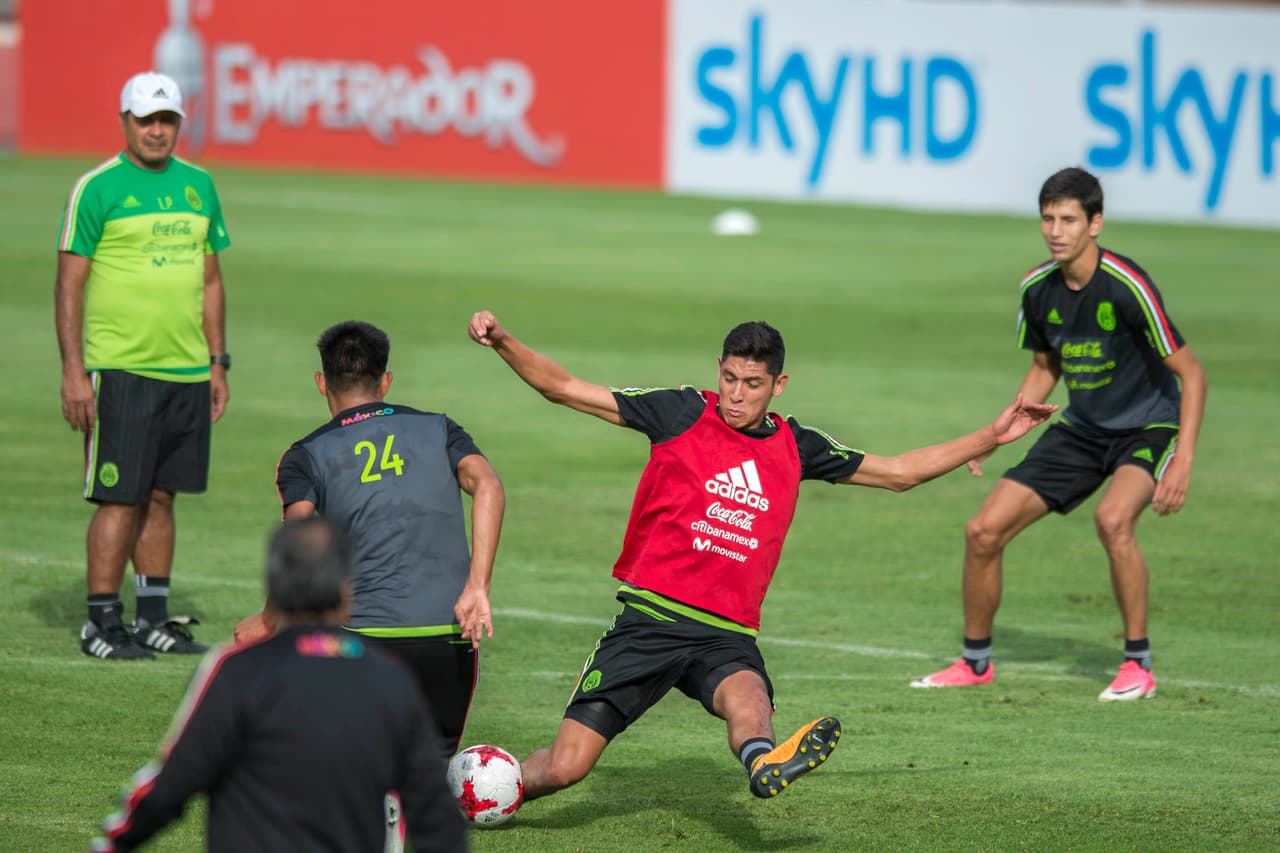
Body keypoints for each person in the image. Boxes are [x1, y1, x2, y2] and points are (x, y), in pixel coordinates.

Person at [467, 310, 1055, 801]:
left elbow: (898, 473)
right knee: (565, 769)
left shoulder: (797, 446)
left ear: (779, 385)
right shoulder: (679, 411)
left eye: (751, 384)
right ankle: (478, 793)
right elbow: (564, 388)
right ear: (717, 372)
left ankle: (761, 763)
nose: (736, 395)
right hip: (650, 622)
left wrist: (990, 436)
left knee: (749, 701)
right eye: (728, 379)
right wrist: (501, 341)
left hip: (725, 632)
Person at [910, 167, 1207, 701]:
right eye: (1048, 218)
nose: (1056, 230)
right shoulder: (1036, 289)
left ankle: (1137, 664)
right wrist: (999, 431)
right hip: (1082, 426)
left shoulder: (1127, 286)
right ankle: (975, 663)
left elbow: (1192, 373)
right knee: (983, 531)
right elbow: (1047, 365)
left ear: (1095, 223)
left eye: (1069, 219)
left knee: (1113, 520)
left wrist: (1182, 458)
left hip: (1148, 426)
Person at [89, 517, 468, 853]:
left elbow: (169, 785)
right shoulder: (390, 678)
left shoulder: (238, 670)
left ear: (274, 584)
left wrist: (114, 843)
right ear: (347, 591)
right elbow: (437, 815)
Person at [236, 320, 505, 757]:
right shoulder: (440, 429)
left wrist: (269, 620)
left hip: (361, 638)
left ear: (322, 382)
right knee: (428, 773)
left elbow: (301, 541)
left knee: (350, 769)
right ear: (386, 381)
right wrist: (478, 587)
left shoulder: (305, 455)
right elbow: (489, 485)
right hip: (449, 634)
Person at [56, 70, 232, 660]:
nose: (157, 131)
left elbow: (210, 279)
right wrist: (74, 371)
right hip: (119, 369)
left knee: (162, 496)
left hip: (185, 370)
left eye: (167, 120)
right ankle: (101, 621)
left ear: (180, 123)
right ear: (125, 120)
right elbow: (69, 284)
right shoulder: (97, 188)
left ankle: (152, 617)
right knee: (119, 498)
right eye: (146, 119)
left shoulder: (199, 186)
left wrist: (217, 361)